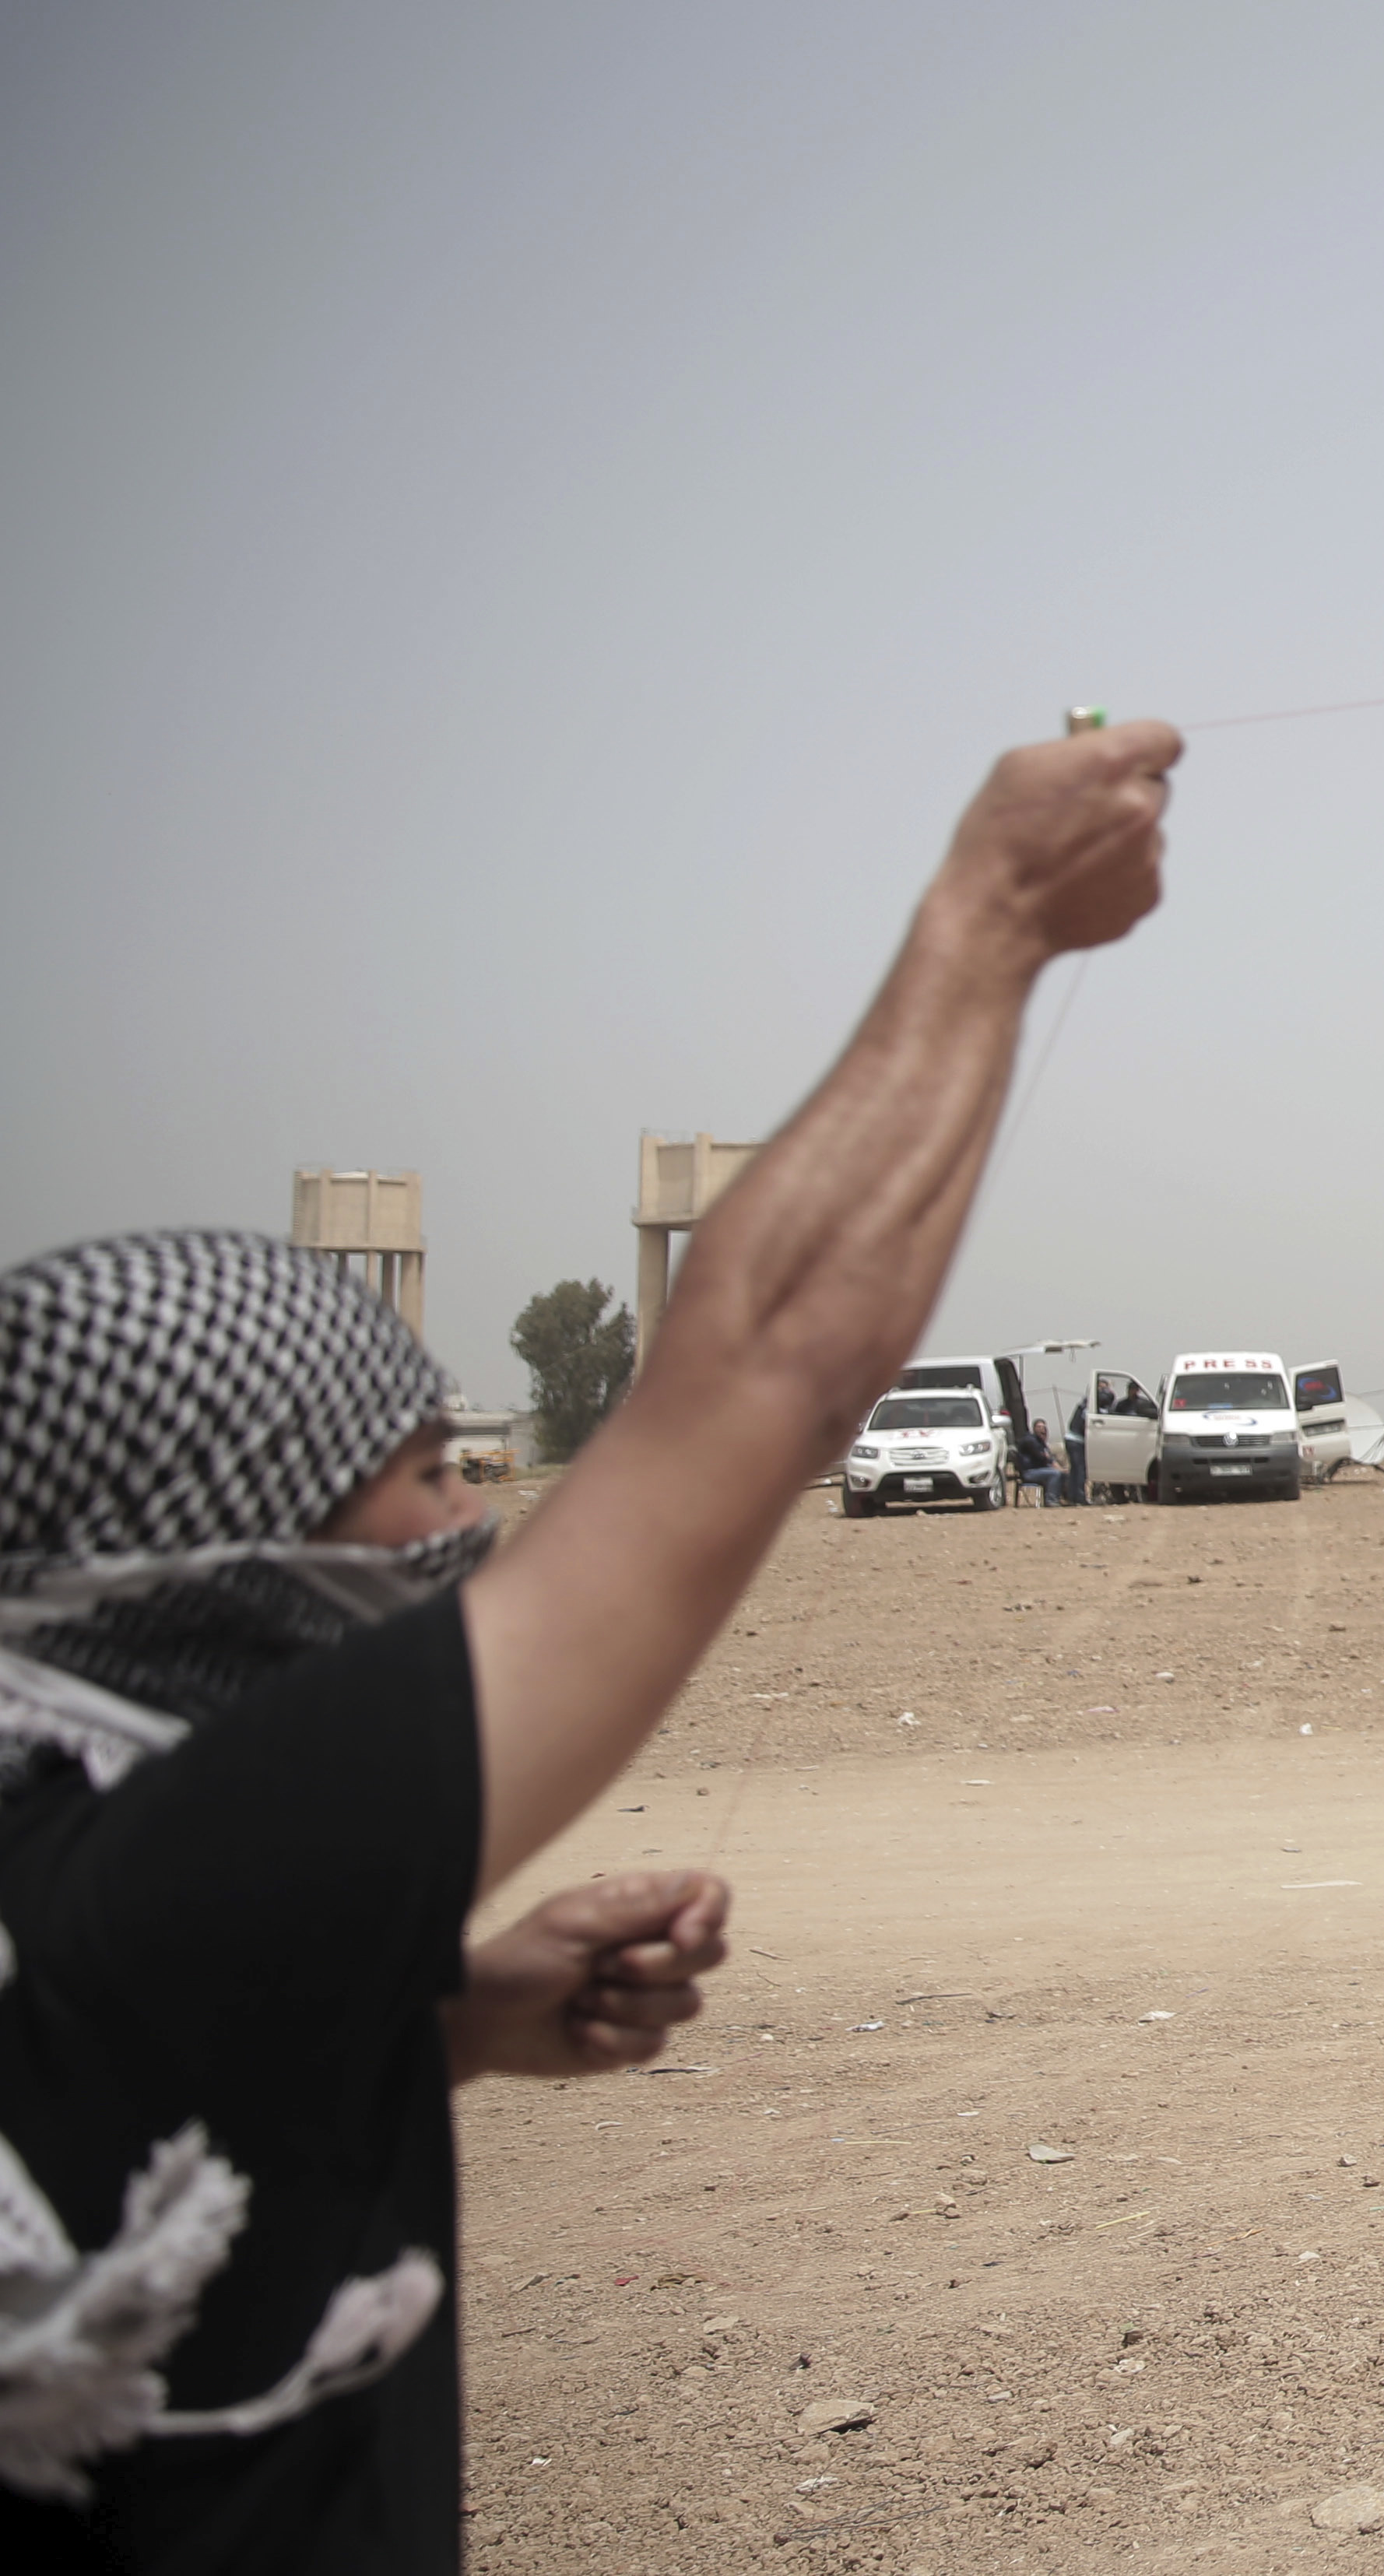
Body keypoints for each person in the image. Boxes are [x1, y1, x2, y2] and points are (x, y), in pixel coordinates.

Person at [0, 716, 1179, 2556]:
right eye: (408, 1469)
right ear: (209, 1533)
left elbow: (124, 2087)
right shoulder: (184, 1859)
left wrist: (443, 2014)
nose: (467, 1508)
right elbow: (762, 1374)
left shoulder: (73, 1847)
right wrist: (995, 916)